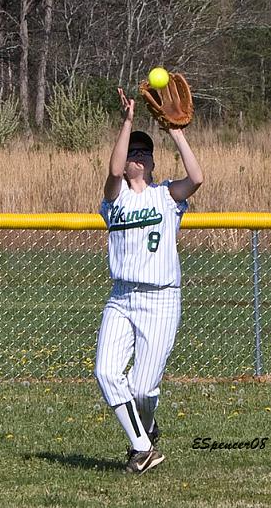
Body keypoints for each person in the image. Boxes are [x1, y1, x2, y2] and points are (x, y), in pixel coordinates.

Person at [94, 87, 203, 474]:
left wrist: (175, 131)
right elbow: (111, 172)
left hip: (160, 300)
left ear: (154, 162)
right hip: (121, 298)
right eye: (132, 153)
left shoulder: (166, 196)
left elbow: (197, 177)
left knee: (142, 388)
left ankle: (148, 427)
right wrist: (127, 122)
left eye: (144, 152)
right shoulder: (114, 199)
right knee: (106, 372)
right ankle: (143, 447)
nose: (137, 157)